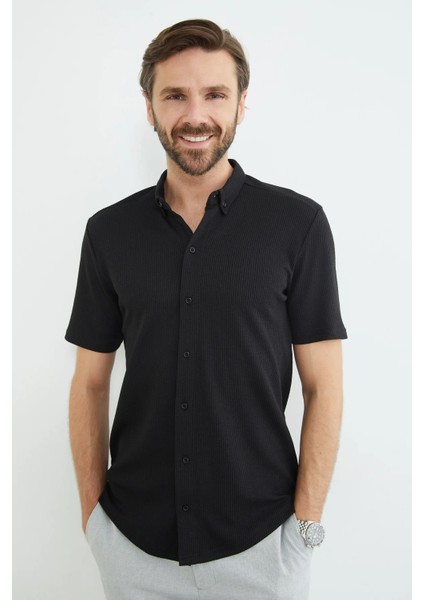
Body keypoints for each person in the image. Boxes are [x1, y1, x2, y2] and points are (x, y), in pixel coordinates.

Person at [66, 18, 347, 600]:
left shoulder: (298, 226)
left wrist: (305, 529)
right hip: (133, 548)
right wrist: (94, 520)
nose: (196, 115)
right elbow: (89, 382)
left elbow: (324, 386)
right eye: (175, 95)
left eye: (215, 94)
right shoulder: (108, 233)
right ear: (149, 107)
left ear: (242, 103)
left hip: (264, 549)